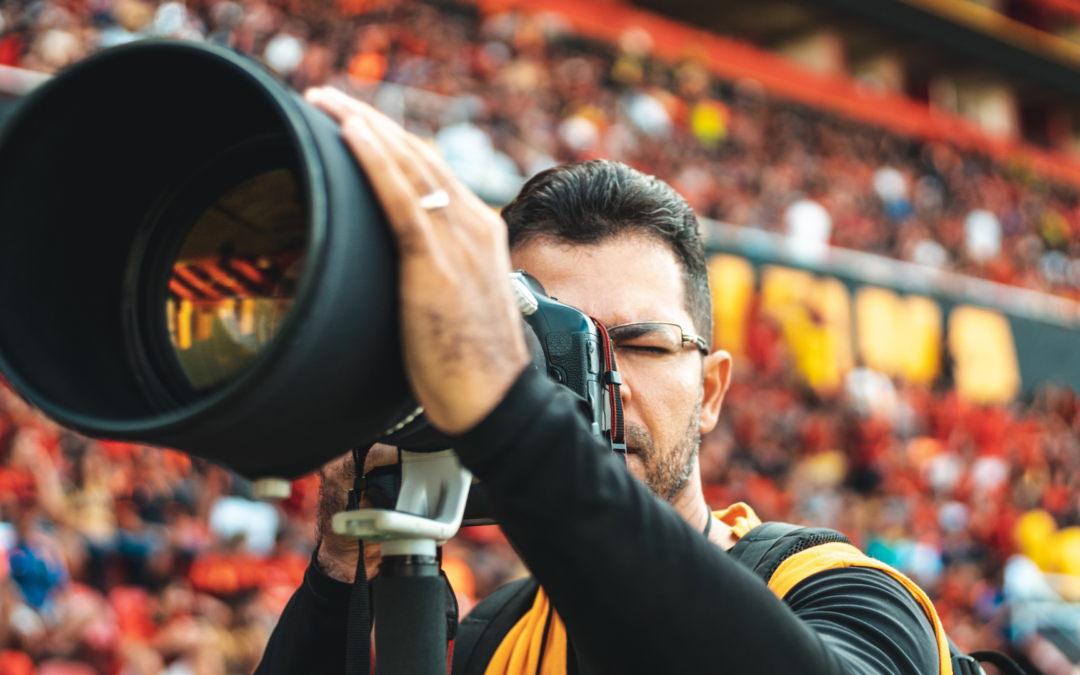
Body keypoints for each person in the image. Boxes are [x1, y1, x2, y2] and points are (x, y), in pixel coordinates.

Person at [255, 87, 947, 675]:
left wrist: (513, 414)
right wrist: (343, 566)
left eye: (638, 343)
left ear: (710, 391)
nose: (597, 378)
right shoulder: (499, 639)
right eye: (549, 341)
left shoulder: (843, 594)